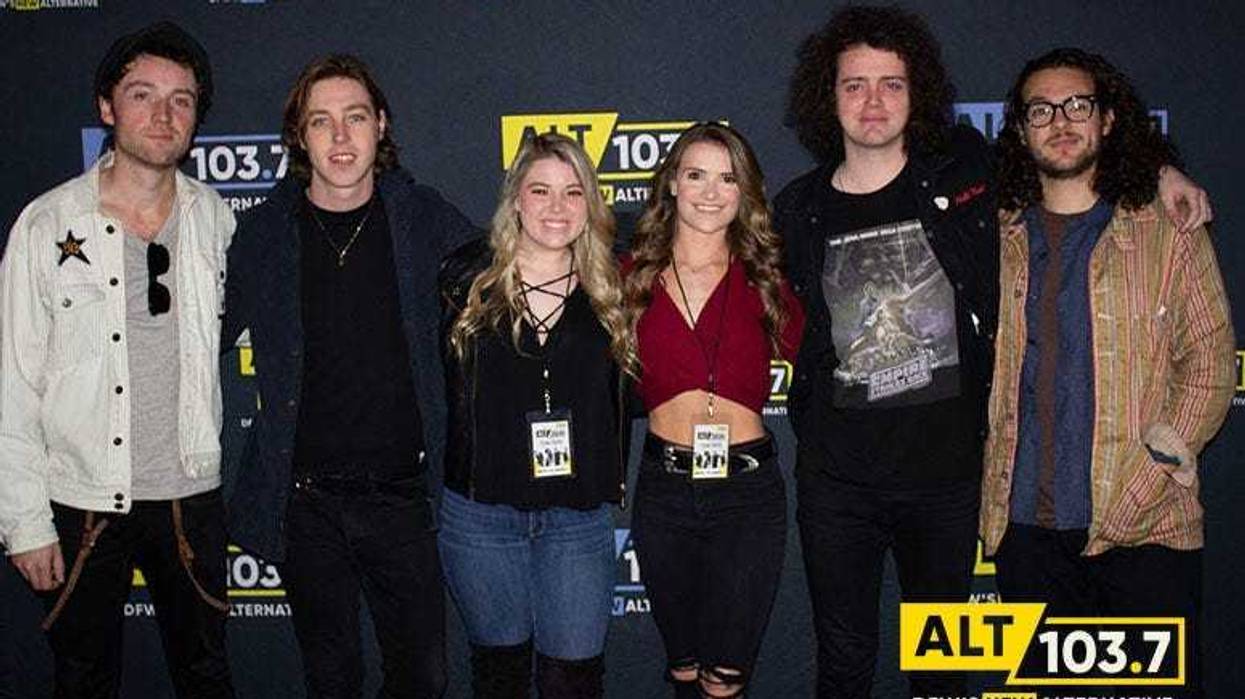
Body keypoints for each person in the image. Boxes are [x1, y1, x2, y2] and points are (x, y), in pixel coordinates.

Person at [774, 6, 1213, 698]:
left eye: (890, 83)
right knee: (843, 661)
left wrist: (1161, 171)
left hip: (949, 480)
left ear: (915, 92)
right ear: (826, 97)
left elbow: (1070, 151)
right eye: (853, 84)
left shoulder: (964, 173)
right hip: (837, 483)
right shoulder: (796, 207)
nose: (872, 101)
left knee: (942, 673)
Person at [981, 47, 1235, 699]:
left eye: (1077, 105)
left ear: (1108, 119)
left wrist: (1151, 473)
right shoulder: (997, 234)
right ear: (1018, 128)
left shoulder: (1165, 228)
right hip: (1031, 537)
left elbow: (1207, 360)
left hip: (1147, 527)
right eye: (1040, 109)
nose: (1059, 120)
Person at [223, 54, 475, 698]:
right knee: (330, 680)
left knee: (424, 680)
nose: (340, 138)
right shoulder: (261, 234)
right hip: (306, 504)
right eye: (321, 122)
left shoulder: (424, 217)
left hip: (404, 497)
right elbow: (202, 337)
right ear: (299, 137)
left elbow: (512, 278)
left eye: (355, 118)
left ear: (381, 126)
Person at [0, 21, 235, 698]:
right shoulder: (46, 225)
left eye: (182, 100)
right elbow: (13, 382)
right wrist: (24, 521)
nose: (163, 114)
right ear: (107, 107)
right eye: (142, 94)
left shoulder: (216, 219)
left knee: (206, 675)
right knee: (82, 677)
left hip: (191, 493)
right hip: (81, 498)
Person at [437, 132, 636, 698]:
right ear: (515, 199)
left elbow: (682, 213)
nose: (556, 207)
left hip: (576, 520)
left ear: (592, 204)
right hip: (480, 519)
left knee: (573, 681)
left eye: (574, 193)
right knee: (500, 680)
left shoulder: (614, 286)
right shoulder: (462, 281)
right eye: (540, 189)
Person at [625, 122, 804, 699]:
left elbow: (839, 366)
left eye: (727, 178)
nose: (709, 191)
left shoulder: (768, 280)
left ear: (745, 192)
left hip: (746, 498)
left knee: (724, 679)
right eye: (696, 174)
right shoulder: (630, 278)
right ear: (672, 182)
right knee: (684, 669)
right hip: (664, 491)